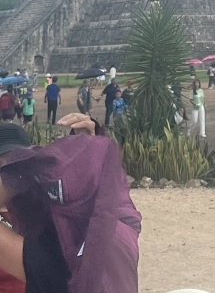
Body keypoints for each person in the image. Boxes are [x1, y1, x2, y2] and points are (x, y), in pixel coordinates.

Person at [0, 118, 141, 293]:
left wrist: (89, 153)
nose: (8, 176)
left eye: (15, 167)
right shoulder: (111, 219)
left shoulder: (53, 224)